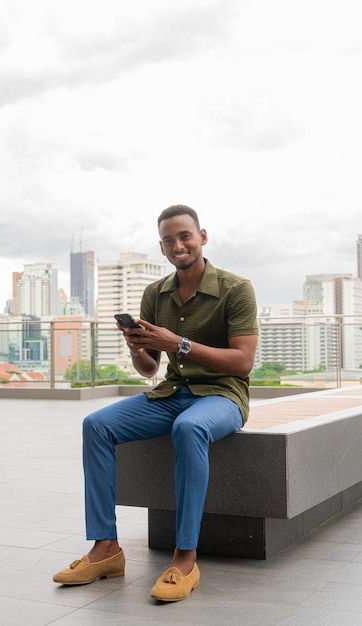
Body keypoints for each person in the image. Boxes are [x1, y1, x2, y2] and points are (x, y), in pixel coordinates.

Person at [53, 204, 258, 601]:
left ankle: (185, 557)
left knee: (190, 427)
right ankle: (105, 549)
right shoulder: (155, 293)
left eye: (185, 236)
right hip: (172, 394)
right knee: (96, 424)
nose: (177, 245)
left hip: (223, 396)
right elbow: (149, 370)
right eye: (168, 240)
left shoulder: (236, 288)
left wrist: (177, 343)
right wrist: (137, 346)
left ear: (202, 237)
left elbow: (243, 361)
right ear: (162, 248)